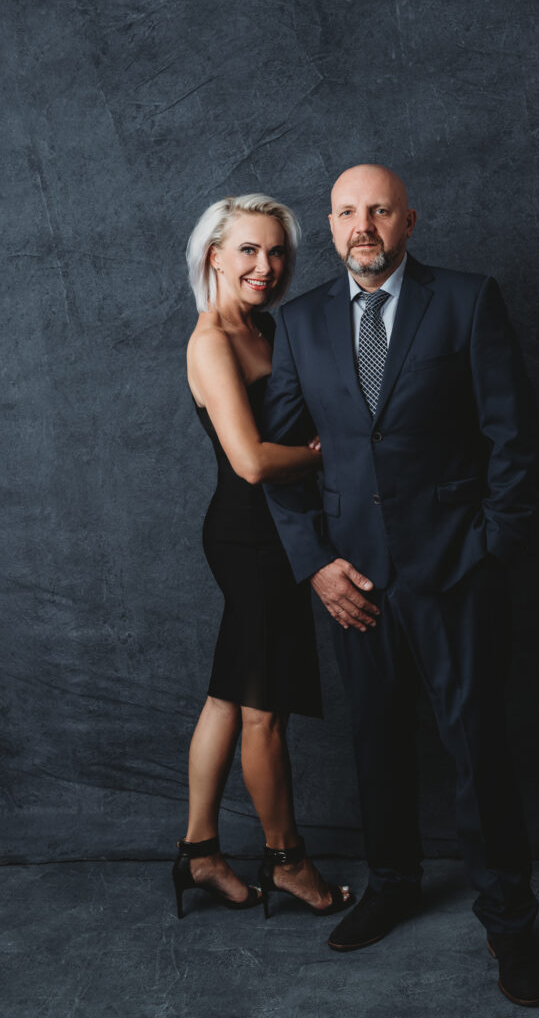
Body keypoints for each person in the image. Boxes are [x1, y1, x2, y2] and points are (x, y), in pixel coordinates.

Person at [261, 166, 539, 1006]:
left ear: (408, 222)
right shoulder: (304, 321)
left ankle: (509, 924)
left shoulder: (466, 301)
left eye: (378, 210)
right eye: (348, 212)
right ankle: (392, 882)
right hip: (353, 578)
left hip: (455, 571)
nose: (363, 226)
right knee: (377, 742)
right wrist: (315, 564)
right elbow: (281, 465)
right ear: (330, 224)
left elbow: (513, 437)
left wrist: (491, 545)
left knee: (476, 750)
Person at [172, 194, 352, 923]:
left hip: (275, 531)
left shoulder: (266, 327)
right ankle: (287, 861)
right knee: (262, 713)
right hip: (248, 539)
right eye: (248, 250)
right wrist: (332, 455)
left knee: (228, 693)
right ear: (213, 254)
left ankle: (200, 852)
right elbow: (248, 460)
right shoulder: (211, 340)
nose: (266, 266)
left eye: (276, 252)